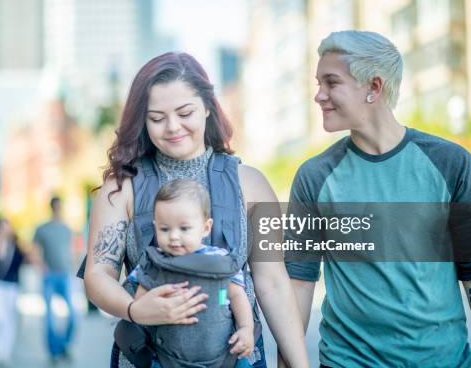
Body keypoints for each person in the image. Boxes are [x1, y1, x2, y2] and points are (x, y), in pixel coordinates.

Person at [77, 52, 309, 367]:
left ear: (208, 107)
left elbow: (273, 282)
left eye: (185, 112)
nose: (172, 127)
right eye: (156, 118)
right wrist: (135, 309)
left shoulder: (253, 184)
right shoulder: (121, 188)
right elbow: (98, 274)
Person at [285, 30, 471, 367]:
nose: (319, 96)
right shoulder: (314, 176)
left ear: (374, 87)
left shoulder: (450, 163)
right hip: (347, 361)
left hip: (441, 360)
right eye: (318, 83)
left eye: (331, 82)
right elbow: (298, 283)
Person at [115, 179, 255, 368]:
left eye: (184, 228)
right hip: (168, 358)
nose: (173, 236)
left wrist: (246, 329)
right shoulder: (153, 262)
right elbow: (140, 303)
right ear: (156, 227)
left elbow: (237, 295)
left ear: (206, 228)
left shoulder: (221, 261)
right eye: (165, 229)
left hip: (224, 356)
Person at [33, 196, 76, 362]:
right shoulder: (42, 228)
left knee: (73, 315)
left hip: (65, 276)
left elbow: (70, 250)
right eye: (56, 207)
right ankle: (53, 352)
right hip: (49, 276)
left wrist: (74, 271)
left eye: (60, 207)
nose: (58, 210)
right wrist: (41, 266)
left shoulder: (66, 228)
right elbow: (34, 251)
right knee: (50, 318)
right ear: (52, 208)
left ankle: (64, 345)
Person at [0, 217, 27, 366]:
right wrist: (0, 240)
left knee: (9, 320)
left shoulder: (16, 245)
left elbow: (25, 259)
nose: (5, 230)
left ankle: (5, 352)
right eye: (2, 227)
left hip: (12, 286)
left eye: (7, 227)